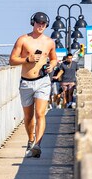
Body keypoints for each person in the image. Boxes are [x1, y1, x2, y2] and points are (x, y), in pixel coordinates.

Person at [9, 11, 58, 158]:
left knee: (40, 114)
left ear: (46, 25)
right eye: (38, 23)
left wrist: (52, 66)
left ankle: (37, 144)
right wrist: (27, 59)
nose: (41, 26)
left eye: (43, 24)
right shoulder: (23, 40)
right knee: (28, 116)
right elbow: (12, 60)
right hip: (26, 82)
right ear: (33, 23)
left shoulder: (49, 42)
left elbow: (54, 58)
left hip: (43, 81)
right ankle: (31, 139)